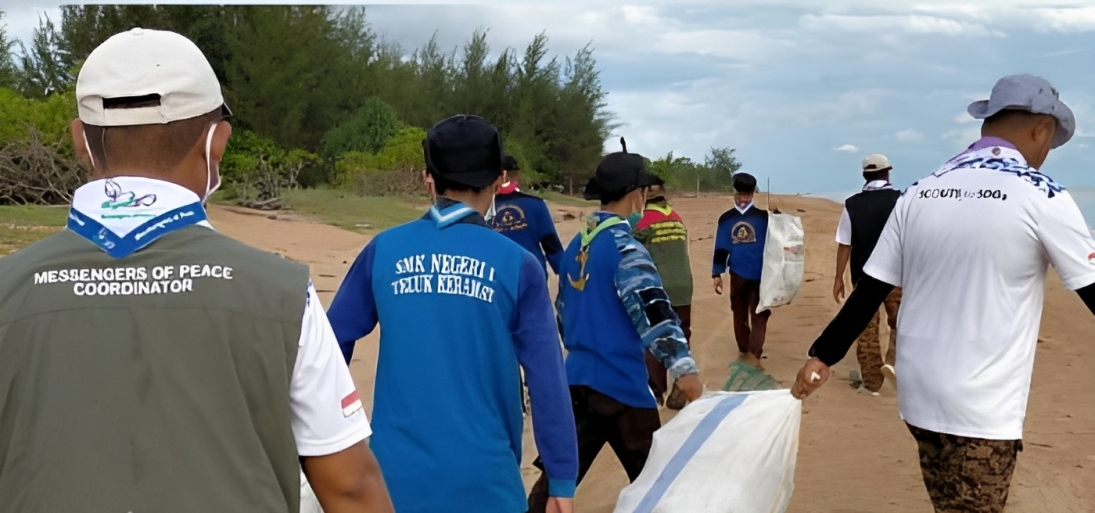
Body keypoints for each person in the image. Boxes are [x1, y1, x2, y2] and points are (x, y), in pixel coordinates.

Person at [0, 28, 393, 512]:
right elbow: (350, 487)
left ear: (80, 140)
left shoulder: (7, 289)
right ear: (216, 142)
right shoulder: (283, 296)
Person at [793, 74, 1095, 513]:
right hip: (981, 405)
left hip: (919, 398)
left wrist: (823, 355)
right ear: (1041, 130)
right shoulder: (1042, 194)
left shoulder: (921, 190)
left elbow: (871, 287)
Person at [326, 114, 578, 513]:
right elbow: (547, 377)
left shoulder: (383, 250)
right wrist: (561, 476)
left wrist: (334, 436)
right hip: (487, 481)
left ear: (428, 178)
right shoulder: (517, 263)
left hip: (393, 480)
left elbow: (329, 344)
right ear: (499, 179)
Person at [527, 139, 704, 512]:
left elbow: (563, 314)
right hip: (621, 386)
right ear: (638, 195)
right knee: (658, 486)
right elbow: (653, 312)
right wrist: (683, 368)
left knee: (556, 483)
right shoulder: (627, 248)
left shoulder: (576, 247)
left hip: (577, 382)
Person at [833, 154, 903, 396]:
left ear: (864, 176)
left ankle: (872, 384)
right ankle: (895, 364)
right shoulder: (900, 200)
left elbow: (845, 245)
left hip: (864, 278)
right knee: (902, 323)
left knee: (867, 331)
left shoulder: (852, 205)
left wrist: (838, 279)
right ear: (887, 173)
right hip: (896, 276)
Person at [632, 175, 694, 410]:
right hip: (684, 285)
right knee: (682, 334)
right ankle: (682, 380)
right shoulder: (677, 219)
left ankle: (657, 392)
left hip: (659, 287)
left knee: (655, 337)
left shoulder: (642, 223)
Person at [712, 173, 770, 369]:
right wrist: (717, 272)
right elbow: (721, 248)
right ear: (735, 194)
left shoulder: (765, 218)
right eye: (740, 195)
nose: (743, 199)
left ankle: (755, 352)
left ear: (753, 194)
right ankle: (744, 349)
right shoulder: (726, 219)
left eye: (747, 195)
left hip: (762, 273)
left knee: (760, 312)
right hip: (737, 273)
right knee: (739, 311)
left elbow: (776, 243)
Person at [490, 154, 565, 276]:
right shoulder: (536, 204)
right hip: (532, 274)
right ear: (517, 174)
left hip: (496, 276)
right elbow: (551, 245)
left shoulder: (483, 208)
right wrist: (563, 271)